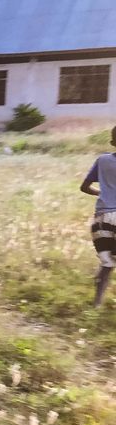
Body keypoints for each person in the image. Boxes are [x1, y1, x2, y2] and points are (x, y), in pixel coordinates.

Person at [80, 125, 116, 308]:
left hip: (101, 219)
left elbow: (84, 187)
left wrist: (103, 193)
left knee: (107, 263)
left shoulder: (102, 160)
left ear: (113, 142)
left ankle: (96, 306)